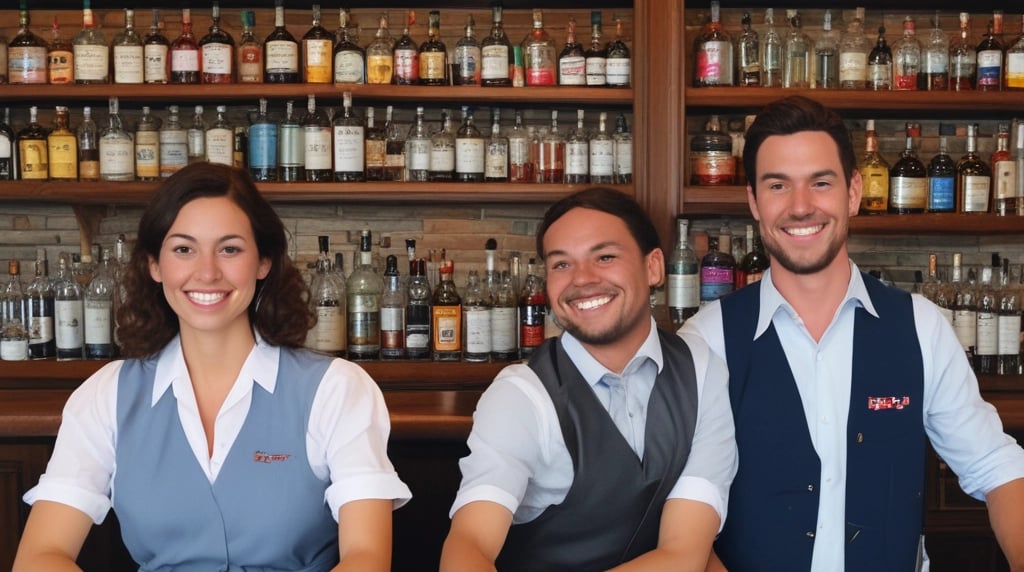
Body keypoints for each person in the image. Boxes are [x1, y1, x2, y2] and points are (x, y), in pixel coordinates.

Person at [681, 95, 1024, 571]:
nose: (801, 206)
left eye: (821, 183)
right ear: (754, 202)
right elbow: (684, 518)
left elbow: (996, 466)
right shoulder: (706, 341)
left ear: (853, 192)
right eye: (778, 185)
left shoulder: (921, 326)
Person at [13, 162, 411, 572]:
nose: (207, 273)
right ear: (154, 264)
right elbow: (40, 555)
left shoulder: (337, 389)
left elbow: (366, 558)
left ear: (264, 261)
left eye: (229, 249)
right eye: (183, 249)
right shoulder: (107, 394)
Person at [440, 187, 736, 571]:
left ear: (653, 267)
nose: (581, 278)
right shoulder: (521, 395)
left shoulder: (700, 368)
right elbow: (470, 543)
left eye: (605, 257)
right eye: (562, 264)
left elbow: (685, 552)